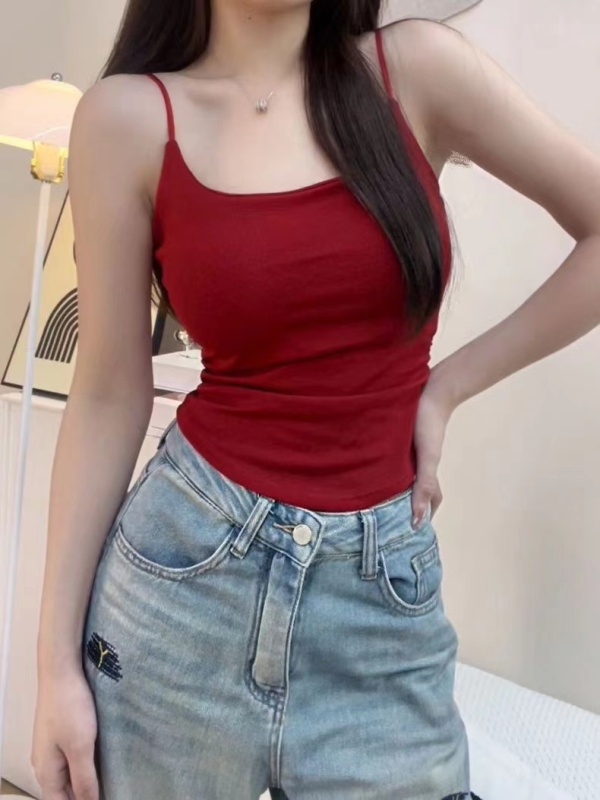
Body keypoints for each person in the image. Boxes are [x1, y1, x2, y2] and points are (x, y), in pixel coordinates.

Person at [31, 1, 600, 798]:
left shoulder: (419, 72)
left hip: (380, 602)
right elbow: (106, 392)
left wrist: (446, 388)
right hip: (183, 582)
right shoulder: (127, 119)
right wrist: (54, 666)